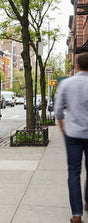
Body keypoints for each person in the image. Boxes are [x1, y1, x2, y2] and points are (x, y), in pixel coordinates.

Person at [54, 52, 88, 223]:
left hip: (73, 134)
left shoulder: (67, 84)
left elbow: (58, 111)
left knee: (73, 173)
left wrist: (63, 130)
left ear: (76, 66)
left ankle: (76, 215)